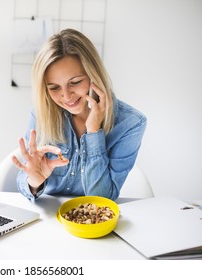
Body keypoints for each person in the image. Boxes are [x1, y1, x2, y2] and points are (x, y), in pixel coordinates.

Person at [12, 29, 147, 202]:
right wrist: (34, 181)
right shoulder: (41, 112)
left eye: (75, 82)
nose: (67, 96)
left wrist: (93, 133)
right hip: (47, 218)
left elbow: (102, 200)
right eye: (54, 87)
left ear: (94, 75)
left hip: (91, 223)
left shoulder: (131, 124)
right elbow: (26, 177)